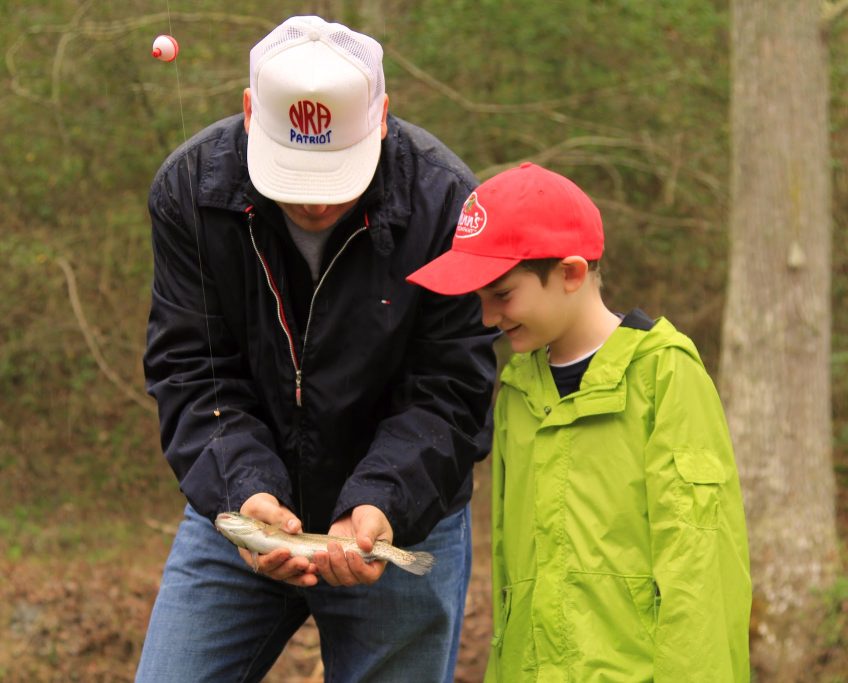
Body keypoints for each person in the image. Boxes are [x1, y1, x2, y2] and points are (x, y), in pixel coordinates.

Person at [135, 16, 497, 683]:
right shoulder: (190, 189)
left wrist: (383, 500)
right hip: (244, 511)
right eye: (295, 176)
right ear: (251, 113)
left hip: (400, 519)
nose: (315, 205)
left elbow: (452, 390)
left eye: (334, 176)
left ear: (381, 118)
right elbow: (192, 369)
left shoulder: (447, 203)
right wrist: (246, 490)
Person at [407, 162, 752, 681]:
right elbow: (512, 578)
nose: (487, 319)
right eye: (479, 300)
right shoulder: (518, 390)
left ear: (570, 273)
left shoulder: (663, 375)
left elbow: (701, 568)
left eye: (502, 295)